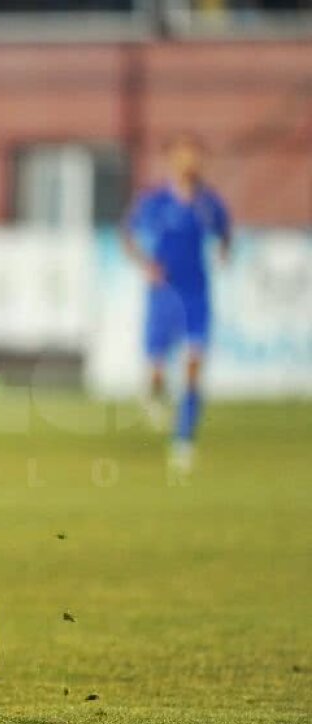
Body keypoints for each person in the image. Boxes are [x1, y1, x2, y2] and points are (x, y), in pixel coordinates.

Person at [122, 132, 232, 472]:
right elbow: (127, 235)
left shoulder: (208, 203)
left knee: (194, 367)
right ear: (172, 161)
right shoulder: (156, 201)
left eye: (195, 155)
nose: (190, 161)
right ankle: (153, 391)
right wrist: (147, 265)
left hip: (196, 293)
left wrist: (224, 251)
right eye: (184, 155)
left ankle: (183, 440)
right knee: (157, 369)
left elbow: (224, 231)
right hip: (164, 295)